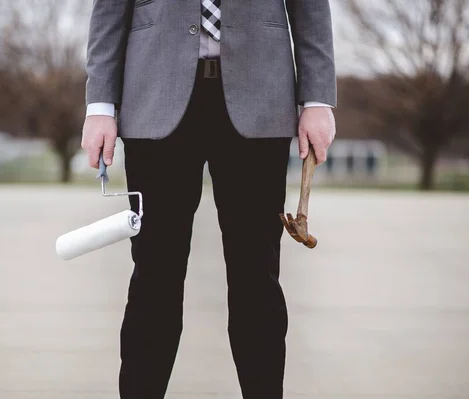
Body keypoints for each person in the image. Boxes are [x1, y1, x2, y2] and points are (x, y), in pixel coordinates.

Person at [81, 1, 337, 398]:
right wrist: (99, 103)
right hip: (153, 96)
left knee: (257, 276)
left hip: (261, 98)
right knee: (154, 276)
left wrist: (318, 98)